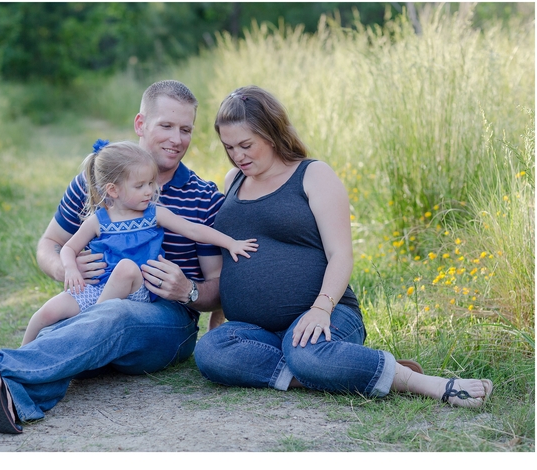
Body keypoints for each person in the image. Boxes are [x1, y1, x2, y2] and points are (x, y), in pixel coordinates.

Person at [0, 80, 229, 434]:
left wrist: (189, 290)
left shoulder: (203, 197)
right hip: (95, 301)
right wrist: (68, 267)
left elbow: (219, 288)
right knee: (74, 315)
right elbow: (50, 244)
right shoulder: (96, 180)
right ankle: (11, 397)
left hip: (166, 322)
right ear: (141, 124)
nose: (177, 138)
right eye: (166, 126)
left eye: (186, 129)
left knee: (115, 313)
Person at [193, 85, 493, 408]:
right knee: (210, 351)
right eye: (229, 147)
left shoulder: (312, 175)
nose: (238, 156)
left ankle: (420, 382)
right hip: (257, 331)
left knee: (306, 353)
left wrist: (321, 308)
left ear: (271, 134)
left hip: (329, 314)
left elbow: (341, 254)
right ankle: (335, 370)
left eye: (245, 145)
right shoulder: (232, 181)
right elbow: (233, 255)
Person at [21, 140, 257, 345]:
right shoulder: (97, 220)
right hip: (97, 289)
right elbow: (69, 248)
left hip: (137, 291)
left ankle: (87, 323)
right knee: (47, 311)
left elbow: (194, 230)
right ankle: (19, 355)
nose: (150, 191)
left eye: (151, 183)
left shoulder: (155, 214)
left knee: (126, 268)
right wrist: (70, 268)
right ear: (113, 190)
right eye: (140, 186)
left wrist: (231, 243)